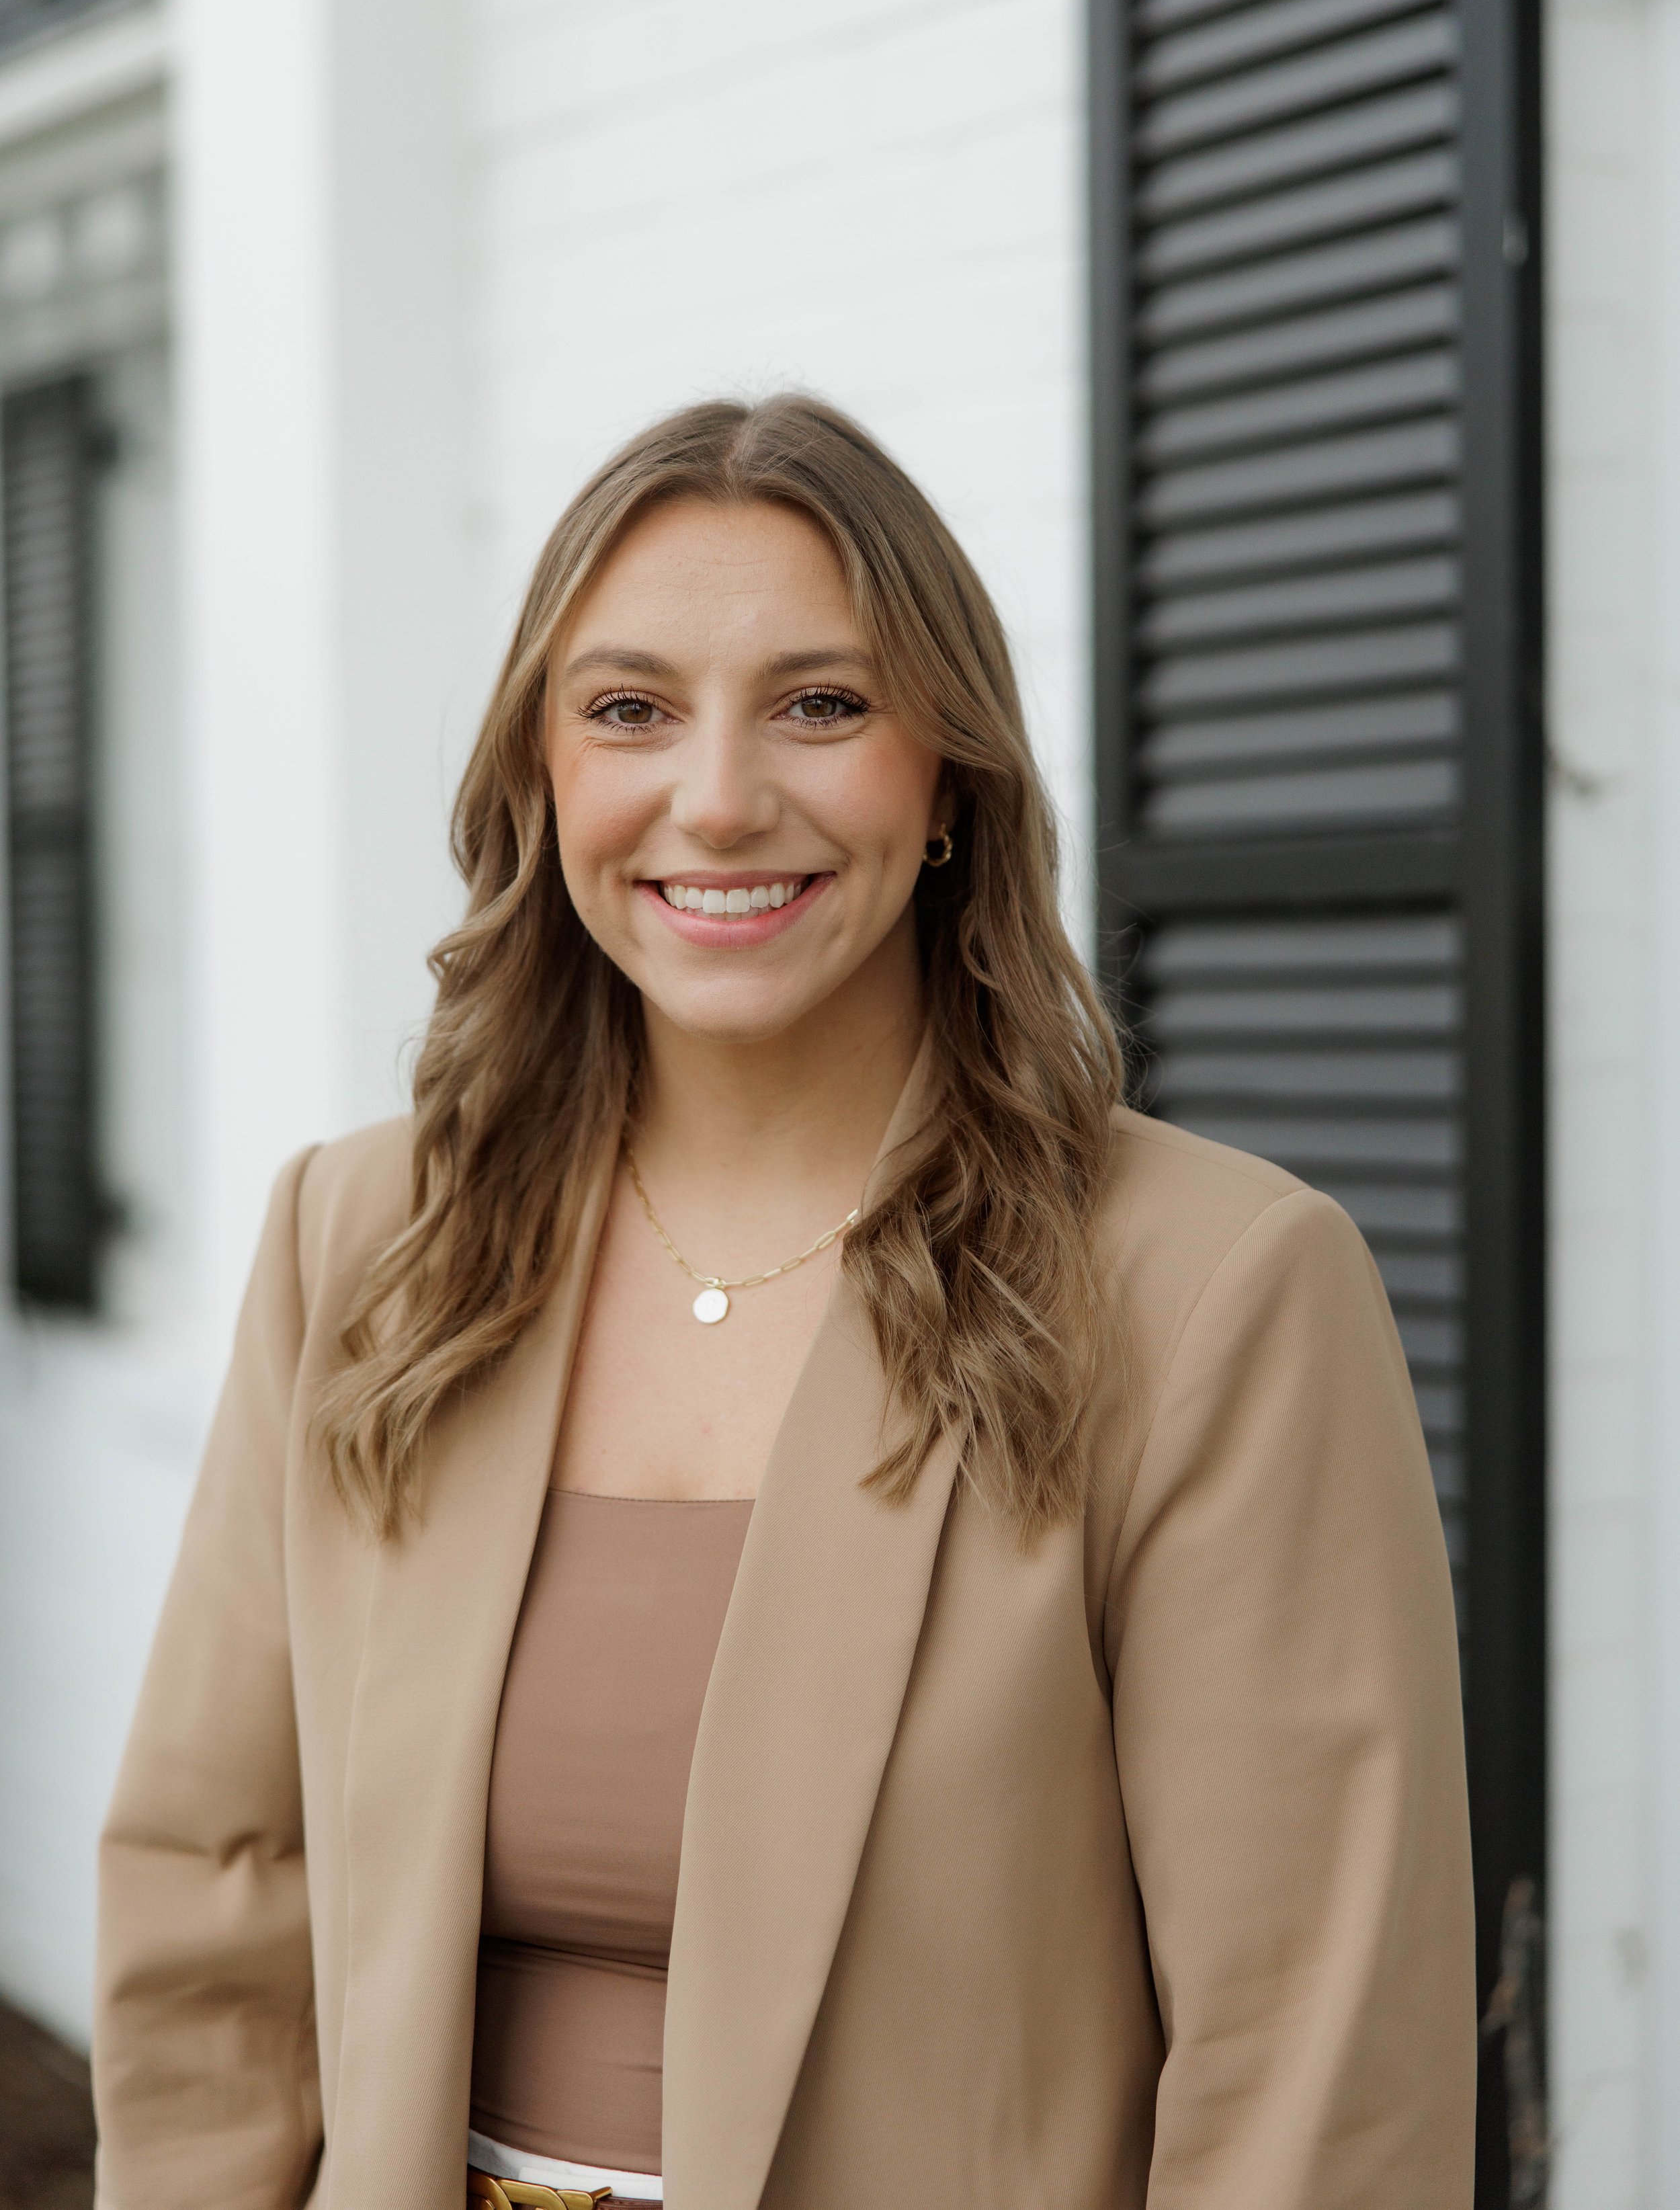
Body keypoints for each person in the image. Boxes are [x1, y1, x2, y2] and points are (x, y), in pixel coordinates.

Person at [91, 395, 1475, 2210]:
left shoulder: (1209, 1286)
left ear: (949, 782)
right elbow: (217, 1905)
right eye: (628, 709)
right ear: (542, 777)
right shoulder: (364, 1241)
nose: (720, 795)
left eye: (823, 704)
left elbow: (1309, 2059)